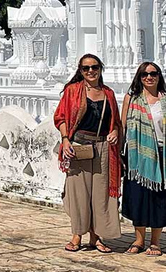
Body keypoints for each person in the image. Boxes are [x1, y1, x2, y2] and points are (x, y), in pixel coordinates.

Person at [53, 54, 122, 253]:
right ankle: (77, 235)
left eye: (94, 67)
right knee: (79, 193)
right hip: (78, 147)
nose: (91, 71)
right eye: (86, 68)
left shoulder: (108, 93)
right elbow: (61, 117)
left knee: (100, 195)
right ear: (80, 71)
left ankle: (96, 237)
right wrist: (66, 140)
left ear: (100, 68)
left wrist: (115, 131)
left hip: (102, 148)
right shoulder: (72, 91)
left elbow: (115, 121)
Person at [121, 62, 166, 256]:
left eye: (153, 73)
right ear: (139, 77)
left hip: (162, 155)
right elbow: (123, 125)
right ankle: (139, 240)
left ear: (159, 76)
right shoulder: (131, 99)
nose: (149, 77)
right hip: (138, 156)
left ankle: (155, 242)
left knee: (159, 198)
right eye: (144, 74)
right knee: (138, 197)